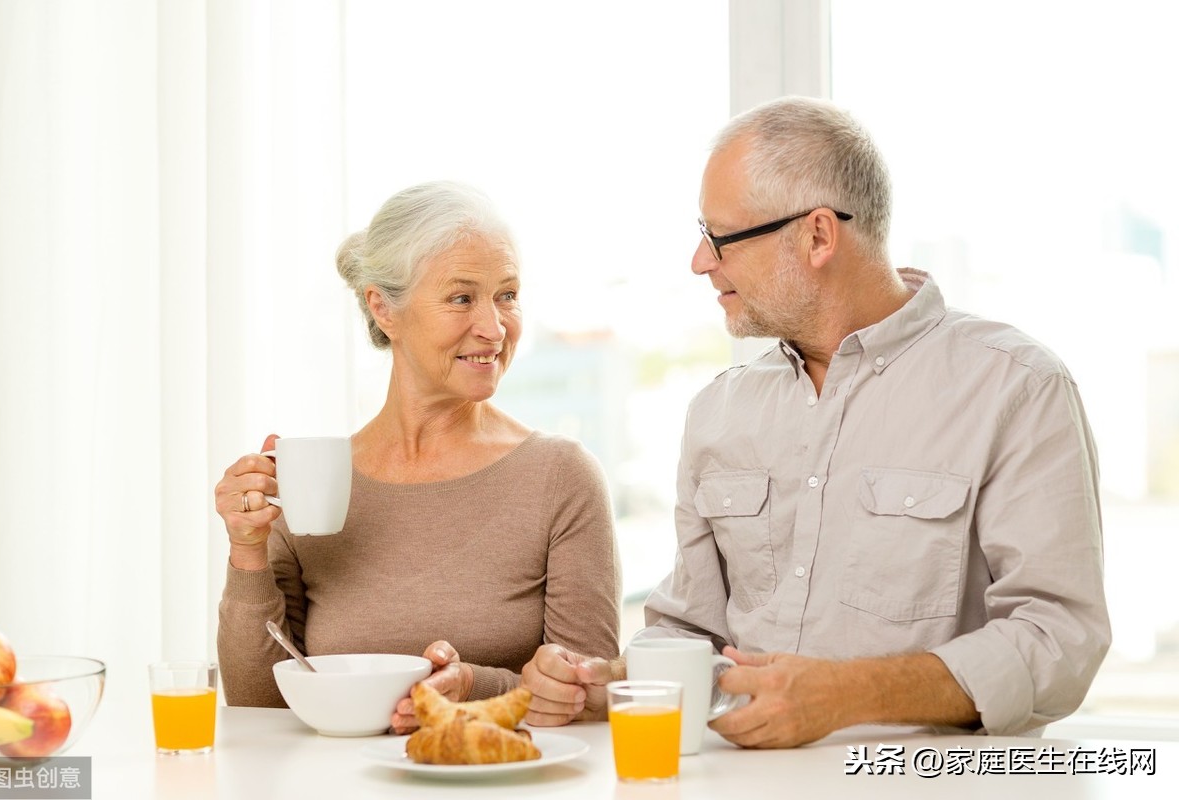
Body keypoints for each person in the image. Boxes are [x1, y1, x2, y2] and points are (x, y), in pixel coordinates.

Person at [521, 96, 1110, 747]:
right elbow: (689, 633)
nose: (699, 261)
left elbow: (1060, 641)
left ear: (819, 235)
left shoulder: (1015, 386)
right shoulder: (718, 411)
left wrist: (847, 695)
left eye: (720, 237)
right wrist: (610, 684)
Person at [214, 181, 621, 732]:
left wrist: (477, 686)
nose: (495, 327)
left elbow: (589, 697)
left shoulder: (560, 476)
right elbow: (258, 709)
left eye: (507, 294)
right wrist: (247, 553)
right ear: (384, 308)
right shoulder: (315, 480)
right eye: (462, 298)